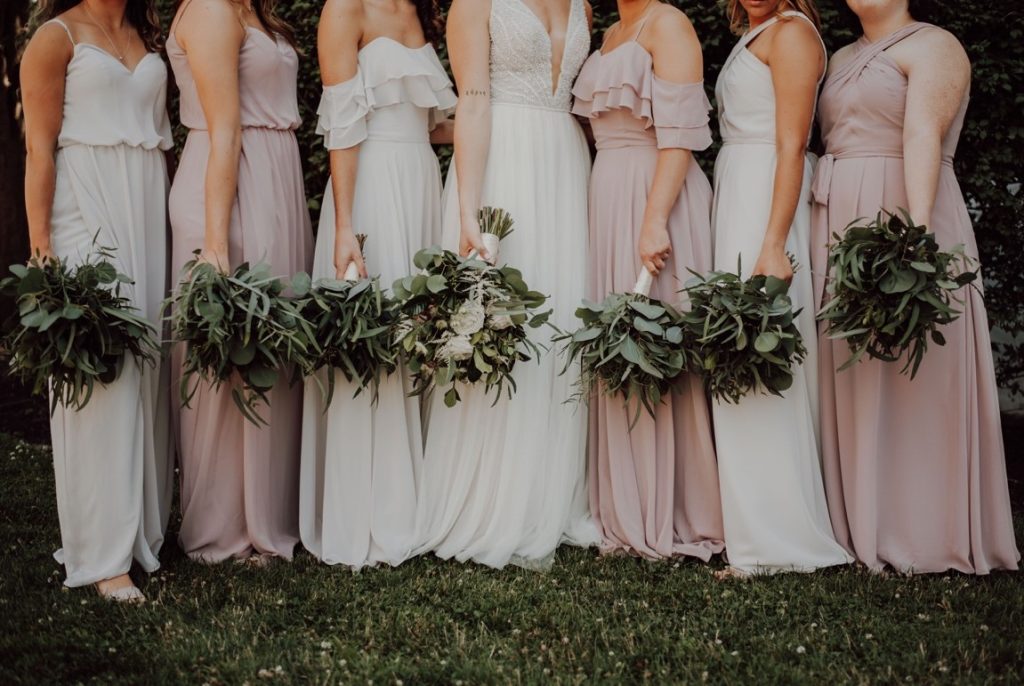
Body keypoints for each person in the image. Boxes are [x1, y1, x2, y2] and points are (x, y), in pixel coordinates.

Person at [811, 0, 1020, 574]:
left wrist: (916, 237)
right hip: (836, 220)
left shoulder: (936, 45)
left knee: (915, 369)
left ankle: (923, 528)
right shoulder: (840, 56)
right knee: (852, 366)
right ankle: (854, 520)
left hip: (902, 207)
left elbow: (925, 133)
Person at [413, 0, 600, 569]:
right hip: (503, 163)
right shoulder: (475, 4)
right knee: (500, 320)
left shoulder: (583, 5)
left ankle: (548, 495)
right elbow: (471, 102)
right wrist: (468, 208)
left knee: (562, 316)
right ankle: (487, 500)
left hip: (566, 167)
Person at [20, 0, 174, 600]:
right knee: (101, 373)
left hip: (144, 201)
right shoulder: (54, 38)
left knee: (147, 364)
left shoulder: (142, 29)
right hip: (84, 209)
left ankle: (141, 532)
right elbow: (39, 150)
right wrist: (42, 250)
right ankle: (102, 556)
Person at [298, 0, 455, 568]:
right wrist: (344, 226)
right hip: (371, 190)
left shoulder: (419, 14)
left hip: (421, 188)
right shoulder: (345, 10)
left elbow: (433, 127)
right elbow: (342, 127)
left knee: (417, 335)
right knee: (377, 340)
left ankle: (415, 504)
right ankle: (365, 514)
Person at [571, 0, 724, 561]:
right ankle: (626, 504)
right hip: (607, 193)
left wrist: (655, 218)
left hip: (655, 194)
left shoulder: (669, 24)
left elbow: (680, 134)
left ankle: (681, 509)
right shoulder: (608, 33)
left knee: (663, 344)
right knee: (619, 347)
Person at [167, 0, 313, 563]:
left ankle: (269, 519)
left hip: (274, 180)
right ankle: (222, 529)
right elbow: (224, 127)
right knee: (226, 359)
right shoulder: (208, 9)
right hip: (227, 190)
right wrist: (216, 244)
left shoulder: (258, 12)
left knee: (270, 352)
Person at [711, 0, 852, 577]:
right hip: (739, 188)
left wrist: (773, 242)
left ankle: (777, 538)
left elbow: (793, 144)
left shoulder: (793, 34)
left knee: (760, 351)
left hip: (766, 201)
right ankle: (753, 527)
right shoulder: (760, 31)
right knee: (737, 351)